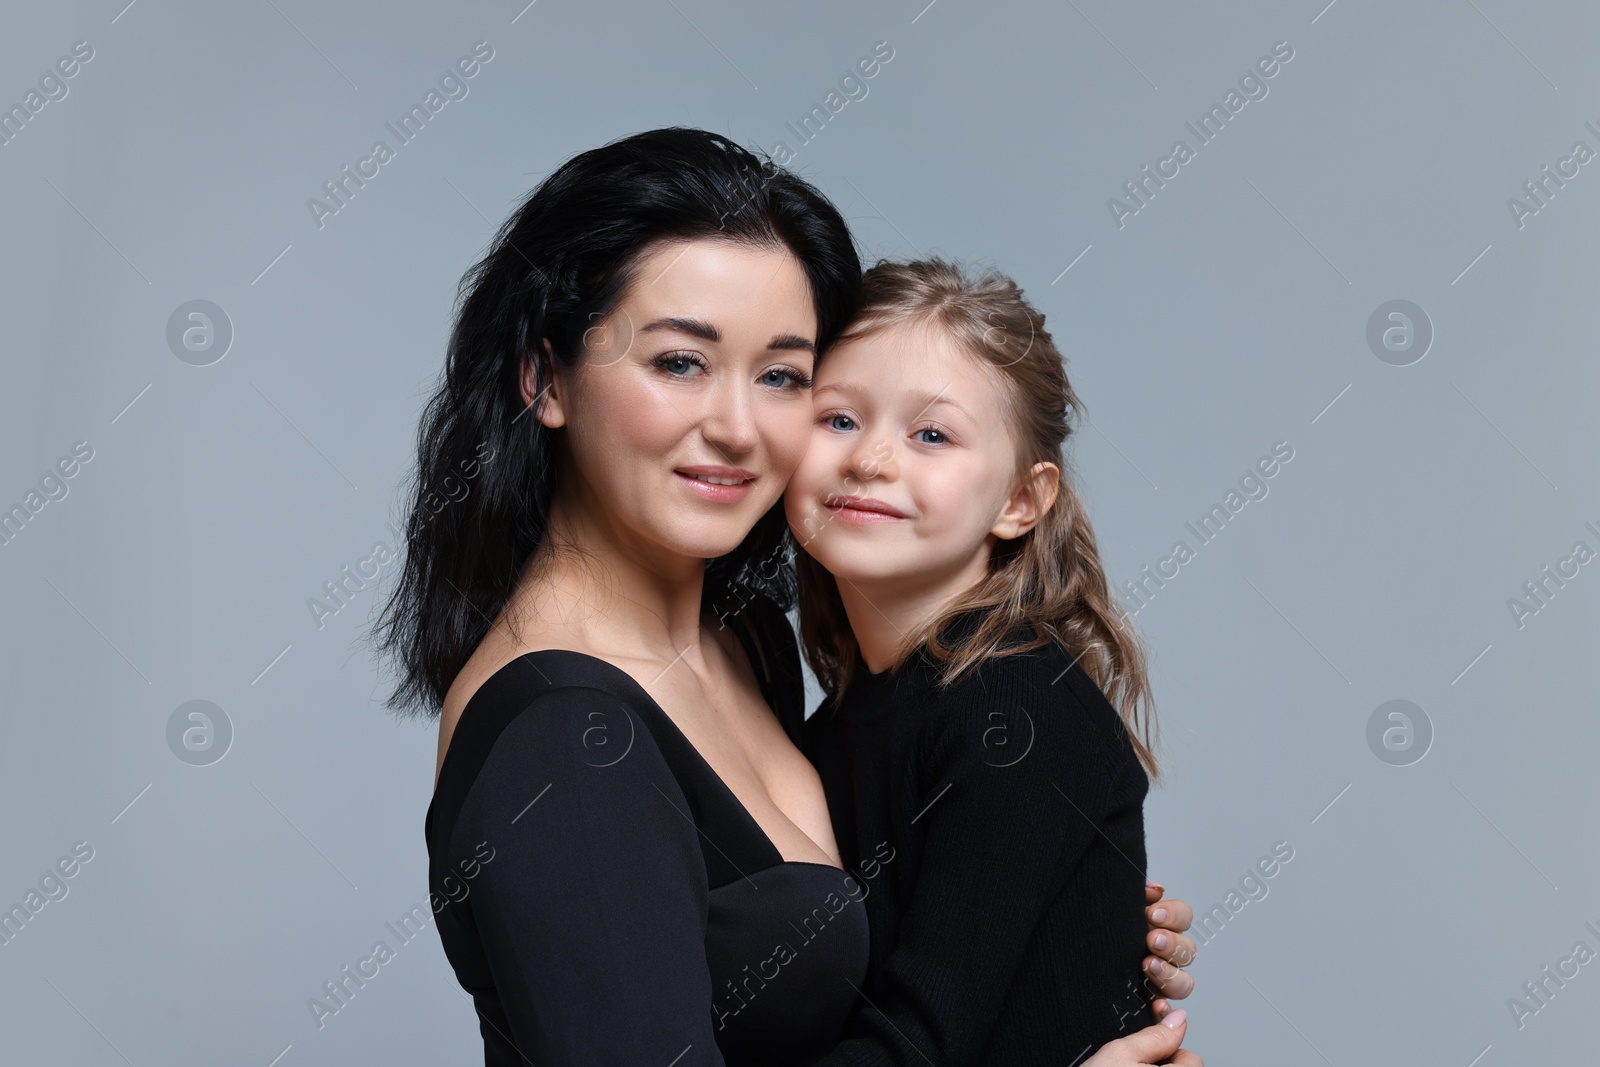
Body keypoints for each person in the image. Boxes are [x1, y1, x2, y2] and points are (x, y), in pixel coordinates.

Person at [376, 127, 1198, 1066]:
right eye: (679, 361)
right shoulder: (565, 744)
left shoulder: (750, 645)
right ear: (545, 376)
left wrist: (1063, 914)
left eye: (781, 376)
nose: (734, 427)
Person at [789, 257, 1181, 1063]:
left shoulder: (1014, 710)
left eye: (931, 433)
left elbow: (917, 1044)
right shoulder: (831, 730)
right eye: (838, 418)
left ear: (1018, 502)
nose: (871, 458)